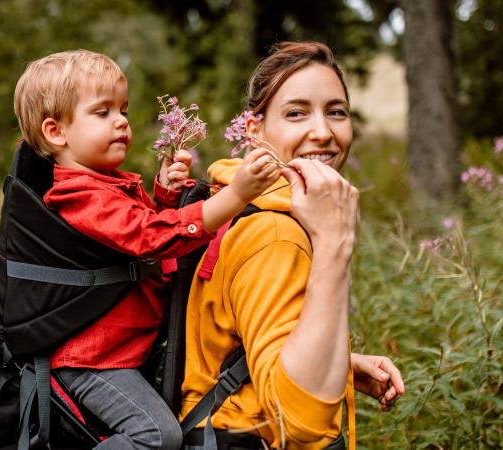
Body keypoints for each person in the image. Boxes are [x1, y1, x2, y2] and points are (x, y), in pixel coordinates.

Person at [12, 49, 279, 450]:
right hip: (92, 362)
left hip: (122, 352)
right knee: (156, 434)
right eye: (102, 113)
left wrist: (167, 198)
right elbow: (148, 238)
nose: (121, 122)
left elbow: (133, 241)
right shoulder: (77, 195)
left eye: (123, 110)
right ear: (56, 132)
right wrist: (236, 195)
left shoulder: (106, 185)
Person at [179, 42, 406, 449]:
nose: (322, 131)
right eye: (296, 113)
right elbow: (299, 423)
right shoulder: (276, 234)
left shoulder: (230, 200)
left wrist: (340, 366)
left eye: (336, 111)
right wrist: (336, 241)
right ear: (255, 130)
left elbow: (236, 336)